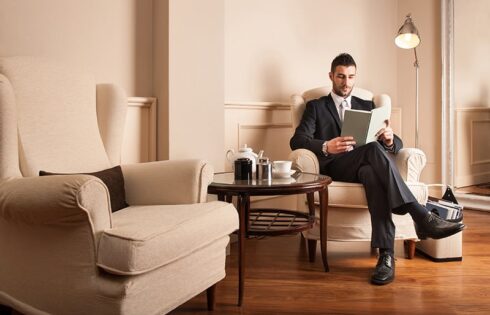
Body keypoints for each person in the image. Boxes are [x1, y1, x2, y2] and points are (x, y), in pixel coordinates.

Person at [290, 53, 465, 285]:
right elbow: (297, 140)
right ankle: (420, 215)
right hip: (336, 167)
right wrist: (325, 145)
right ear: (331, 76)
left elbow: (394, 147)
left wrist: (391, 139)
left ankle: (386, 256)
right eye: (341, 76)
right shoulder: (316, 106)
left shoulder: (367, 105)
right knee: (373, 150)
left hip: (366, 166)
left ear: (355, 77)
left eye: (351, 77)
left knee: (372, 172)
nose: (346, 82)